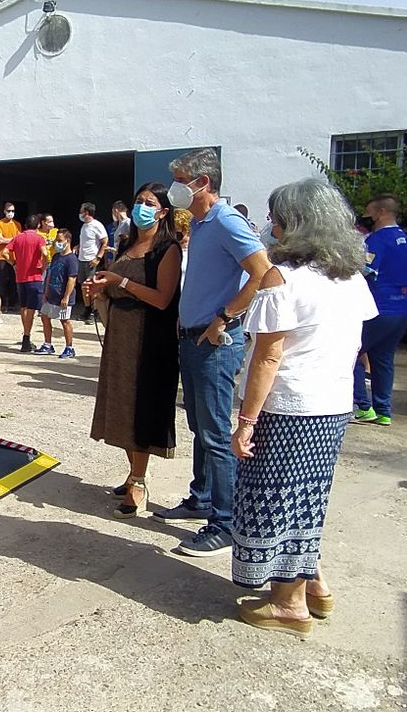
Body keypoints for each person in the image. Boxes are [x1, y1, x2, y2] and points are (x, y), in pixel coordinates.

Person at [228, 178, 376, 637]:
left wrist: (246, 421)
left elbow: (267, 357)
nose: (270, 226)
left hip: (289, 408)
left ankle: (289, 603)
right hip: (332, 405)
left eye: (276, 218)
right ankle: (313, 582)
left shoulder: (281, 280)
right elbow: (355, 344)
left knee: (274, 502)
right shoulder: (350, 277)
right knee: (307, 498)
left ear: (294, 224)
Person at [152, 148, 273, 561]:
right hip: (193, 338)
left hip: (214, 343)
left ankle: (226, 522)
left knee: (218, 434)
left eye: (182, 179)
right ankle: (202, 497)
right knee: (201, 427)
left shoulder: (225, 220)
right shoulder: (202, 224)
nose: (176, 188)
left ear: (203, 183)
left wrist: (224, 316)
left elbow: (263, 271)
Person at [85, 183, 182, 517]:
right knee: (123, 405)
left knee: (141, 407)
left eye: (149, 203)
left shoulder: (167, 249)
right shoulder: (127, 243)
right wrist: (99, 289)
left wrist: (119, 282)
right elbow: (113, 288)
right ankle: (133, 473)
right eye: (138, 201)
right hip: (121, 334)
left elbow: (162, 299)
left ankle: (139, 481)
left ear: (163, 211)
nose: (141, 207)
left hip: (149, 338)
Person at [351, 193, 407, 426]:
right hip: (402, 307)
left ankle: (362, 406)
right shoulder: (405, 239)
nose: (365, 217)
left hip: (379, 306)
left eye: (368, 212)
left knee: (351, 352)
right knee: (383, 358)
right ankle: (384, 410)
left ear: (381, 213)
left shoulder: (377, 240)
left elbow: (365, 269)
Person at [7, 214, 50, 353]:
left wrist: (14, 263)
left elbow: (5, 251)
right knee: (32, 309)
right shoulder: (39, 238)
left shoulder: (18, 237)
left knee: (24, 307)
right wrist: (44, 266)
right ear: (38, 225)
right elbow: (44, 253)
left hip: (20, 277)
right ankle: (26, 337)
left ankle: (26, 336)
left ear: (25, 225)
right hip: (34, 277)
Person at [38, 233, 80, 358]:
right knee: (45, 317)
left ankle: (69, 347)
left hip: (63, 296)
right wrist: (45, 292)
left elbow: (72, 279)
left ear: (67, 240)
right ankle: (48, 344)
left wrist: (66, 297)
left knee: (64, 321)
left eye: (60, 240)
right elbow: (49, 274)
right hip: (51, 294)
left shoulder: (72, 259)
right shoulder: (56, 256)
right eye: (57, 240)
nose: (57, 242)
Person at [75, 202, 109, 322]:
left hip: (91, 260)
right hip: (82, 259)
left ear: (87, 212)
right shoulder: (84, 226)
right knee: (84, 286)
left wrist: (98, 258)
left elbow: (105, 242)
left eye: (81, 211)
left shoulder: (97, 225)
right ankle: (87, 309)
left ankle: (95, 311)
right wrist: (78, 247)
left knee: (92, 286)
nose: (80, 213)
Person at [0, 202, 21, 311]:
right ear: (4, 211)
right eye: (9, 211)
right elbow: (0, 239)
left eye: (13, 211)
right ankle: (3, 304)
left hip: (14, 257)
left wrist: (8, 240)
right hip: (2, 257)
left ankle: (12, 303)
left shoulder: (17, 224)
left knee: (14, 280)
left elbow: (20, 239)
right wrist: (13, 239)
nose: (11, 213)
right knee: (3, 281)